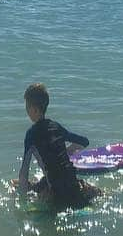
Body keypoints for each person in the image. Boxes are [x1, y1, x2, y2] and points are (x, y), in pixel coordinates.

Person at [15, 82, 101, 210]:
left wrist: (22, 201)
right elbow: (84, 142)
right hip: (73, 183)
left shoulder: (31, 134)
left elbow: (24, 173)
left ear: (34, 109)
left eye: (27, 107)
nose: (26, 111)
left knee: (14, 184)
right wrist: (67, 151)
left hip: (56, 193)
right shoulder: (56, 127)